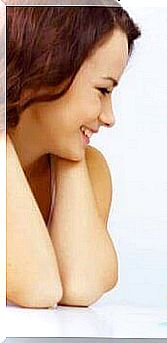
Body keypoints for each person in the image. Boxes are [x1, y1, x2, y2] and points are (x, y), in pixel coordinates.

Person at [6, 5, 141, 308]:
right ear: (46, 70)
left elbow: (81, 285)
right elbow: (37, 287)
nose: (109, 117)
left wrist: (70, 153)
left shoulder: (89, 167)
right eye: (103, 90)